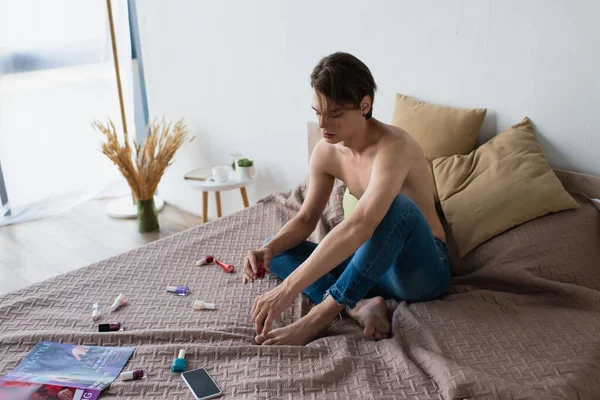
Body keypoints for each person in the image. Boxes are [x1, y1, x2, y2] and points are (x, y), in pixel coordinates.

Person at [243, 52, 450, 346]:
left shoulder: (395, 147)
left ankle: (321, 316)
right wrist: (270, 249)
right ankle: (359, 305)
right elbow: (305, 219)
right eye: (317, 112)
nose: (323, 124)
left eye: (335, 114)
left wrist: (288, 289)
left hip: (419, 272)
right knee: (274, 248)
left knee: (400, 208)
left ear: (364, 105)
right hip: (370, 265)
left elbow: (362, 223)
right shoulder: (326, 151)